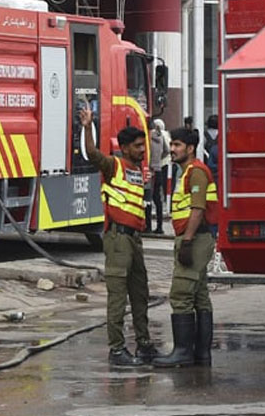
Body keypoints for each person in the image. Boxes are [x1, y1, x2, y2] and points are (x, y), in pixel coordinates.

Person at [79, 105, 159, 366]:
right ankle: (117, 350)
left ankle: (144, 345)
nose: (143, 150)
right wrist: (87, 126)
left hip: (134, 239)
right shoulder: (114, 165)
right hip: (118, 239)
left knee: (140, 293)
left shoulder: (137, 169)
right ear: (124, 148)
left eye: (143, 145)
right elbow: (92, 154)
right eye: (137, 146)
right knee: (117, 296)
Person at [153, 128, 218, 368]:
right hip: (197, 237)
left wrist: (187, 241)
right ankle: (201, 354)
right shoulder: (188, 172)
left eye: (177, 145)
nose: (172, 149)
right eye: (172, 144)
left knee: (181, 294)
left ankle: (182, 352)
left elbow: (198, 209)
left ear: (190, 149)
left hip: (195, 238)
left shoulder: (196, 172)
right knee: (199, 295)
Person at [147, 119, 165, 234]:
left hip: (150, 170)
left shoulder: (148, 138)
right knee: (158, 200)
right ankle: (159, 226)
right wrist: (158, 161)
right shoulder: (160, 136)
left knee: (147, 199)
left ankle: (148, 226)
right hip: (158, 169)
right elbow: (166, 150)